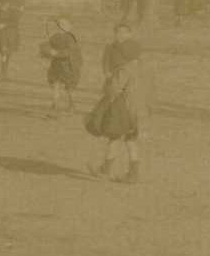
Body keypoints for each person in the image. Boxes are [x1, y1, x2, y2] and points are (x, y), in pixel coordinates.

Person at [86, 23, 147, 183]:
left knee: (114, 136)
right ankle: (133, 173)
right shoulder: (142, 68)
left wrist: (108, 89)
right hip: (139, 110)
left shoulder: (124, 70)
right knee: (130, 140)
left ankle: (106, 169)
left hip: (124, 108)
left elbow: (114, 89)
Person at [41, 16, 83, 114]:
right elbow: (46, 46)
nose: (61, 27)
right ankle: (55, 104)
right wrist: (48, 51)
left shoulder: (70, 38)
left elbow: (70, 51)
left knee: (69, 88)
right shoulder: (55, 37)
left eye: (64, 25)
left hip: (68, 65)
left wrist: (57, 53)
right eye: (60, 25)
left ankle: (72, 104)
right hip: (56, 65)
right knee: (55, 85)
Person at [0, 0, 22, 78]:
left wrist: (5, 25)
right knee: (2, 52)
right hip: (1, 35)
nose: (0, 6)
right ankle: (3, 71)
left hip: (10, 35)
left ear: (7, 4)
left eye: (2, 4)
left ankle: (3, 72)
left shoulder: (13, 12)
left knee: (6, 53)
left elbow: (15, 23)